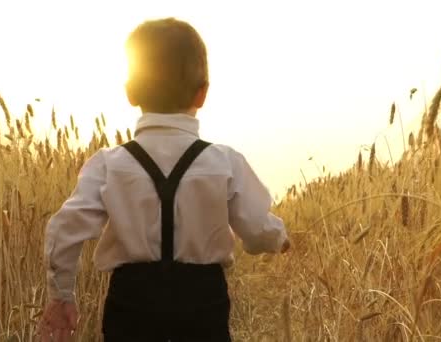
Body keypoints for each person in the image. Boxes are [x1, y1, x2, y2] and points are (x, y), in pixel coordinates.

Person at [38, 17, 289, 342]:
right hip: (203, 301)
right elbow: (255, 227)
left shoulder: (108, 164)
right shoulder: (224, 162)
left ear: (130, 92)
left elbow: (63, 230)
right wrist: (277, 238)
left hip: (131, 301)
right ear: (202, 94)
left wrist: (61, 296)